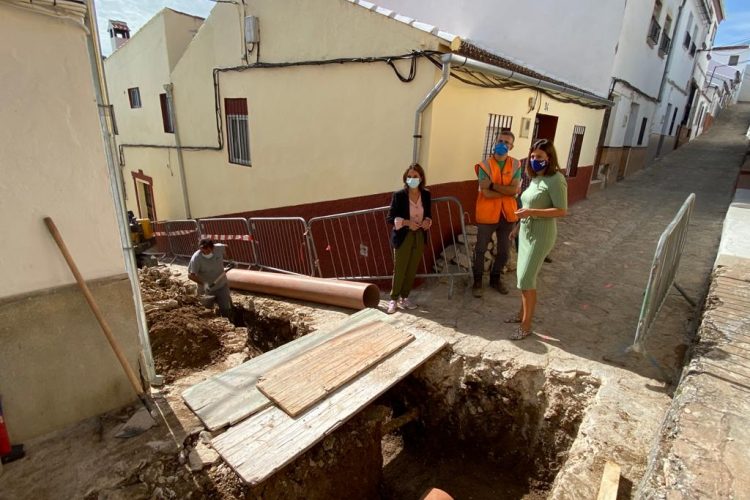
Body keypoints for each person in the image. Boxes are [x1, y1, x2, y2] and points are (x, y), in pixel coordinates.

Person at [508, 139, 568, 340]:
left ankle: (526, 326)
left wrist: (531, 211)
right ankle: (520, 314)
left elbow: (561, 210)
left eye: (539, 157)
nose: (535, 160)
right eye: (533, 156)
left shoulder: (556, 179)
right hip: (525, 232)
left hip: (541, 235)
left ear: (549, 158)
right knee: (522, 278)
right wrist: (517, 227)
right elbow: (527, 206)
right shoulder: (535, 178)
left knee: (526, 278)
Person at [472, 129, 522, 297]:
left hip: (507, 215)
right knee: (480, 250)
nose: (502, 145)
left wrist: (492, 185)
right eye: (500, 141)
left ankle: (495, 279)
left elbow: (514, 189)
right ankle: (477, 281)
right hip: (487, 215)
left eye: (506, 142)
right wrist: (508, 192)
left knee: (504, 252)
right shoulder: (484, 165)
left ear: (512, 146)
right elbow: (485, 193)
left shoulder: (516, 164)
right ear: (495, 142)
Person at [385, 163, 432, 314]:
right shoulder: (399, 195)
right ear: (405, 178)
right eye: (409, 176)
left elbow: (429, 214)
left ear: (421, 177)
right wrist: (406, 223)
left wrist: (427, 221)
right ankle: (393, 299)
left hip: (419, 235)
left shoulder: (426, 194)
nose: (412, 179)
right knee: (400, 268)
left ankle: (404, 298)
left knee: (412, 268)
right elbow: (390, 218)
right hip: (403, 235)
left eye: (415, 176)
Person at [188, 238, 232, 317]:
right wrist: (204, 284)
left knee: (226, 308)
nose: (205, 253)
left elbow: (227, 247)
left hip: (221, 285)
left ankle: (229, 323)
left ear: (212, 247)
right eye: (203, 251)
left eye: (207, 250)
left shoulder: (218, 248)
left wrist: (231, 260)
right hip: (206, 290)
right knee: (206, 311)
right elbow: (191, 275)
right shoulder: (196, 258)